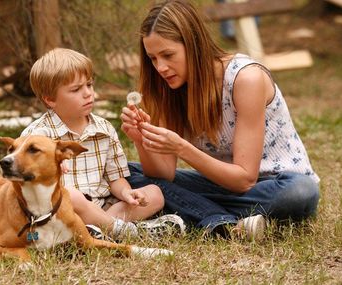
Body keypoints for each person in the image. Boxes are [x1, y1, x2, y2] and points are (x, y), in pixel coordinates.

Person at [120, 0, 319, 240]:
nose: (161, 67)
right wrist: (141, 141)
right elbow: (162, 175)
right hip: (220, 186)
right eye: (153, 58)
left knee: (300, 192)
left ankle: (198, 212)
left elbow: (245, 180)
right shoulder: (168, 89)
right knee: (126, 171)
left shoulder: (245, 78)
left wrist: (183, 148)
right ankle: (223, 222)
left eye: (168, 55)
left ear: (193, 45)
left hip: (273, 186)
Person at [21, 48, 185, 240]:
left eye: (89, 85)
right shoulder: (38, 136)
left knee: (155, 194)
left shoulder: (104, 129)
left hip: (102, 206)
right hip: (59, 211)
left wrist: (127, 192)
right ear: (50, 100)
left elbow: (115, 179)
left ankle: (95, 231)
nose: (88, 94)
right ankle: (126, 232)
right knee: (71, 196)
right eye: (76, 89)